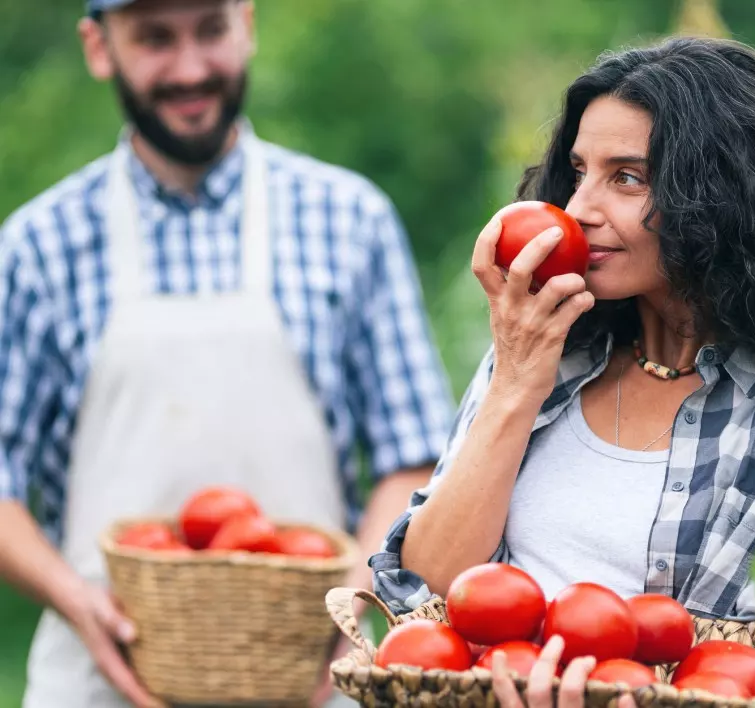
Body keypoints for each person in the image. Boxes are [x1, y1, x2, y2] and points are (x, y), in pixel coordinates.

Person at [370, 36, 755, 707]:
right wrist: (515, 382)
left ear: (719, 197)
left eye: (625, 178)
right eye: (578, 173)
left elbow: (736, 679)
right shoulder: (545, 353)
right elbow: (423, 594)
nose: (578, 211)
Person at [0, 1, 455, 707]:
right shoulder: (37, 247)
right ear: (98, 47)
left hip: (309, 676)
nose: (190, 69)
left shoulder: (348, 220)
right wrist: (76, 600)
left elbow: (412, 457)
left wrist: (352, 603)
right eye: (154, 38)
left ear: (247, 23)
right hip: (100, 681)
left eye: (210, 30)